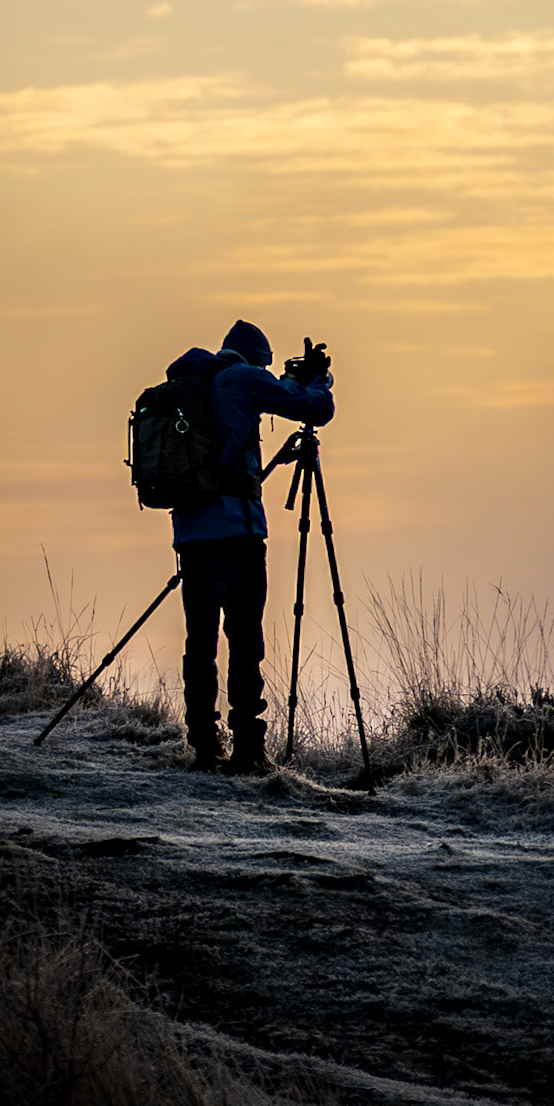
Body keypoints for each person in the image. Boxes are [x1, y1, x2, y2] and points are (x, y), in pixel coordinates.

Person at [168, 319, 334, 773]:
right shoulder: (243, 380)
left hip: (189, 531)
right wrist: (318, 380)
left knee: (200, 639)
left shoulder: (199, 382)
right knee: (244, 637)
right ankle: (247, 749)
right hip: (235, 533)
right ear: (258, 362)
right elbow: (316, 408)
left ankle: (204, 744)